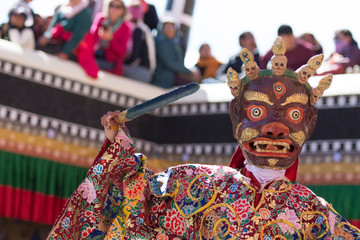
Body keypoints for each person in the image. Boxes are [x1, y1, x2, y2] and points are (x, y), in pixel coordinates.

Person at [47, 37, 360, 239]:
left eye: (293, 115)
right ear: (236, 117)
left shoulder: (315, 216)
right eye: (258, 113)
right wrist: (118, 145)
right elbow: (132, 194)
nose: (275, 128)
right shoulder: (195, 184)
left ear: (310, 123)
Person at [77, 0, 131, 79]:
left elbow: (121, 53)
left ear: (123, 10)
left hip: (109, 61)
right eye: (112, 5)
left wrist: (111, 39)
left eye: (118, 7)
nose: (114, 9)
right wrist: (99, 36)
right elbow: (91, 38)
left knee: (92, 66)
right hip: (95, 54)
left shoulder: (125, 27)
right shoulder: (101, 18)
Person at [151, 17, 198, 88]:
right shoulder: (161, 41)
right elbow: (169, 62)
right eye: (167, 27)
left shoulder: (175, 43)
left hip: (168, 81)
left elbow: (179, 61)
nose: (170, 29)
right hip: (160, 80)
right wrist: (189, 72)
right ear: (162, 29)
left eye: (172, 27)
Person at [123, 2, 156, 83]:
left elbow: (134, 58)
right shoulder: (143, 28)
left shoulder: (139, 30)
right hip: (143, 71)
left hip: (142, 72)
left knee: (113, 67)